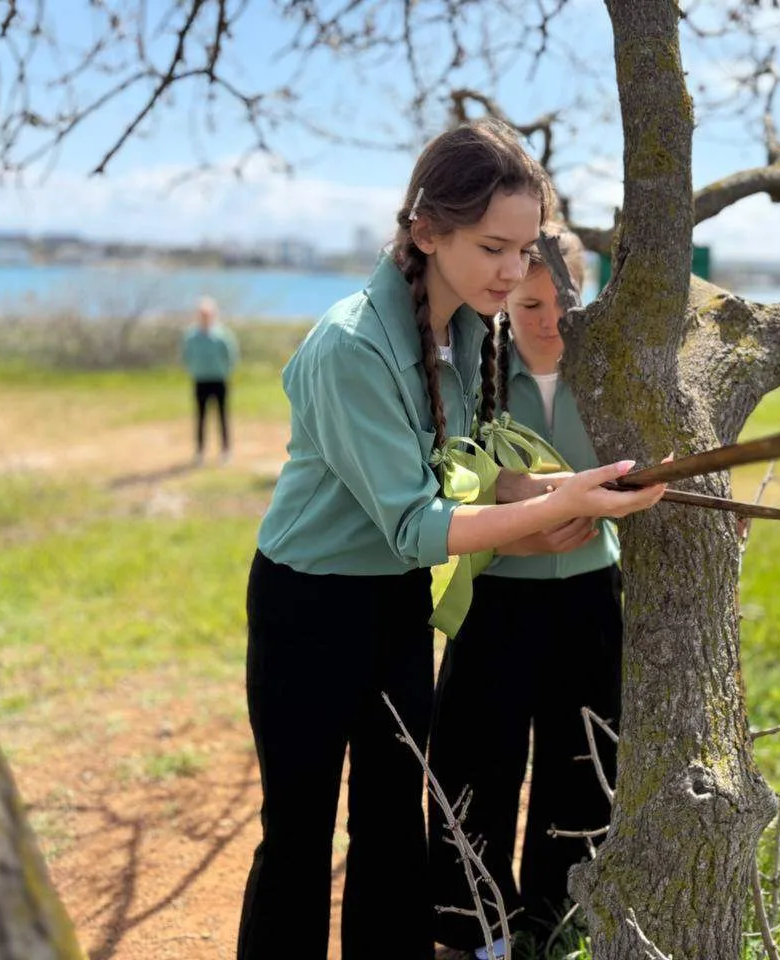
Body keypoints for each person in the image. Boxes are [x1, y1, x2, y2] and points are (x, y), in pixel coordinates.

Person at [235, 120, 665, 960]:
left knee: (393, 818)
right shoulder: (351, 345)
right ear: (427, 231)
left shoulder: (469, 328)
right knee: (299, 829)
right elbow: (417, 524)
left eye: (524, 249)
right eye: (493, 248)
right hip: (308, 608)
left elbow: (465, 476)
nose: (513, 270)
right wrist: (553, 507)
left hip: (394, 604)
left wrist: (584, 489)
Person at [429, 229, 621, 960]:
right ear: (506, 298)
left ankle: (557, 919)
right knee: (476, 762)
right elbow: (449, 484)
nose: (549, 321)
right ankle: (474, 929)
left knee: (583, 764)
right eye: (530, 304)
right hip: (495, 599)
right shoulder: (472, 374)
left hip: (590, 597)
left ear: (585, 292)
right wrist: (518, 535)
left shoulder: (611, 378)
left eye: (563, 304)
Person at [180, 296, 238, 465]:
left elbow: (231, 356)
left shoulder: (222, 335)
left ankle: (226, 451)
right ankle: (200, 451)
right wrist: (193, 369)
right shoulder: (191, 336)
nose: (205, 317)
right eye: (202, 314)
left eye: (208, 314)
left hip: (219, 380)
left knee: (222, 416)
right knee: (201, 417)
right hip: (200, 380)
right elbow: (186, 356)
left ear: (213, 314)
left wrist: (226, 371)